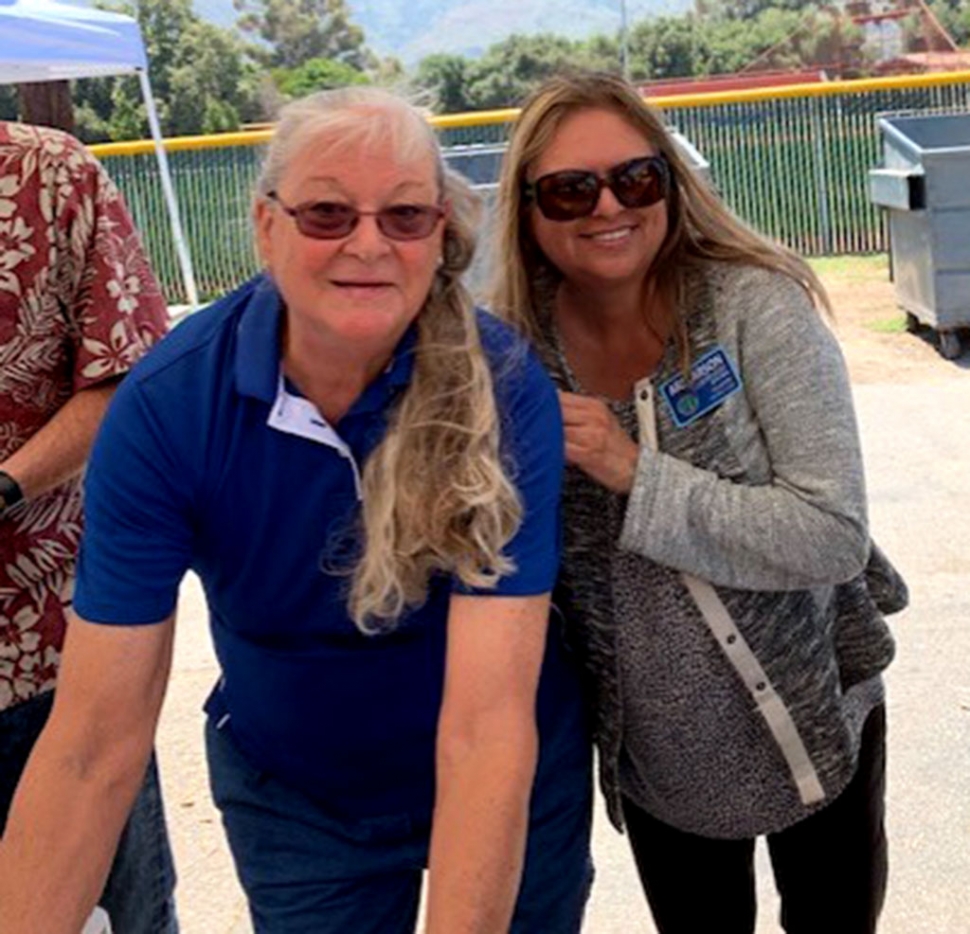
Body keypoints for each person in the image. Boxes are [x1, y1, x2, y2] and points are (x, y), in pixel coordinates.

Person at [0, 88, 592, 934]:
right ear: (266, 226)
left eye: (404, 216)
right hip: (300, 792)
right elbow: (95, 741)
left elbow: (484, 731)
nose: (367, 244)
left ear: (440, 236)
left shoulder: (500, 391)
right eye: (325, 213)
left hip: (506, 770)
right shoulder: (170, 407)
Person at [491, 71, 900, 934]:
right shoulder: (511, 356)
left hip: (816, 715)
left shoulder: (754, 304)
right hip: (661, 765)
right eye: (570, 190)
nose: (609, 206)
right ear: (527, 210)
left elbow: (831, 534)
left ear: (672, 183)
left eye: (638, 177)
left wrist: (635, 471)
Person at [0, 120, 178, 932]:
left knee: (118, 913)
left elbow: (135, 379)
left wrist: (5, 486)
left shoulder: (48, 175)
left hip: (50, 657)